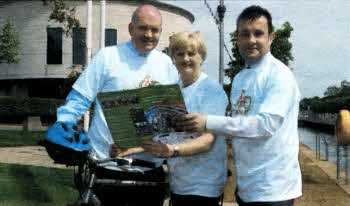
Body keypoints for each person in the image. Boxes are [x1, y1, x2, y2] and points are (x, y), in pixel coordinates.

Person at [174, 5, 302, 206]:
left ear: (271, 37)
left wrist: (208, 122)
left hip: (273, 189)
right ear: (237, 38)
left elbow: (265, 125)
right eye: (245, 34)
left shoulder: (279, 75)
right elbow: (237, 125)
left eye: (258, 34)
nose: (251, 40)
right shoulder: (240, 78)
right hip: (246, 188)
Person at [52, 4, 178, 206]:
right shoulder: (107, 57)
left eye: (154, 30)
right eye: (143, 28)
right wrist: (63, 125)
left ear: (160, 32)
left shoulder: (167, 64)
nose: (149, 34)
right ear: (131, 29)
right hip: (106, 165)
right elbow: (81, 97)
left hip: (149, 170)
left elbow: (172, 112)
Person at [140, 31, 228, 206]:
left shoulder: (211, 89)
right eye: (180, 53)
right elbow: (161, 135)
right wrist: (126, 148)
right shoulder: (173, 91)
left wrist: (171, 150)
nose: (185, 58)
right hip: (178, 183)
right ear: (173, 58)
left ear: (201, 57)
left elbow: (207, 140)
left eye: (191, 53)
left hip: (204, 186)